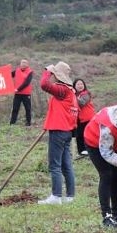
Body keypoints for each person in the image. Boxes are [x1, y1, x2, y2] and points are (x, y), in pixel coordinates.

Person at [37, 61, 78, 205]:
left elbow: (43, 84)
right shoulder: (71, 92)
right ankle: (70, 196)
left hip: (59, 131)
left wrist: (47, 71)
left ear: (57, 76)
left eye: (54, 74)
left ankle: (56, 196)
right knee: (66, 165)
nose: (52, 77)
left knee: (54, 165)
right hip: (67, 131)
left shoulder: (62, 90)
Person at [73, 78, 95, 156]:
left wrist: (74, 98)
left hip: (87, 118)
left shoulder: (86, 94)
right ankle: (81, 151)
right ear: (74, 86)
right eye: (78, 84)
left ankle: (88, 150)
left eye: (81, 84)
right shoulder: (74, 95)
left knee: (87, 135)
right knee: (79, 135)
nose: (80, 86)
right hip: (78, 118)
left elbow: (82, 103)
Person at [9, 59, 34, 126]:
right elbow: (9, 75)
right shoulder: (17, 70)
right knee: (15, 108)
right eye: (22, 63)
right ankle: (12, 123)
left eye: (25, 63)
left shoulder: (30, 72)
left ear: (27, 65)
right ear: (20, 64)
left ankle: (28, 123)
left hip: (26, 94)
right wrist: (3, 72)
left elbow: (27, 83)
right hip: (17, 94)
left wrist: (18, 89)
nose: (23, 64)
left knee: (28, 109)